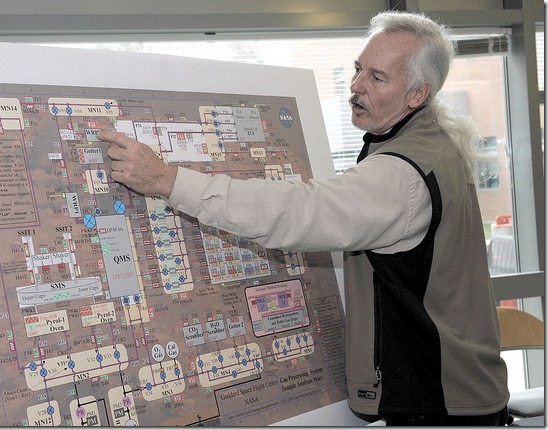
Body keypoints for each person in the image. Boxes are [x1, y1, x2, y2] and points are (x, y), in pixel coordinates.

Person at [98, 10, 510, 426]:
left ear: (417, 95)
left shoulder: (402, 173)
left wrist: (167, 180)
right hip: (457, 395)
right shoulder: (432, 144)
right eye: (357, 69)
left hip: (436, 406)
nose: (356, 86)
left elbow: (297, 212)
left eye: (377, 78)